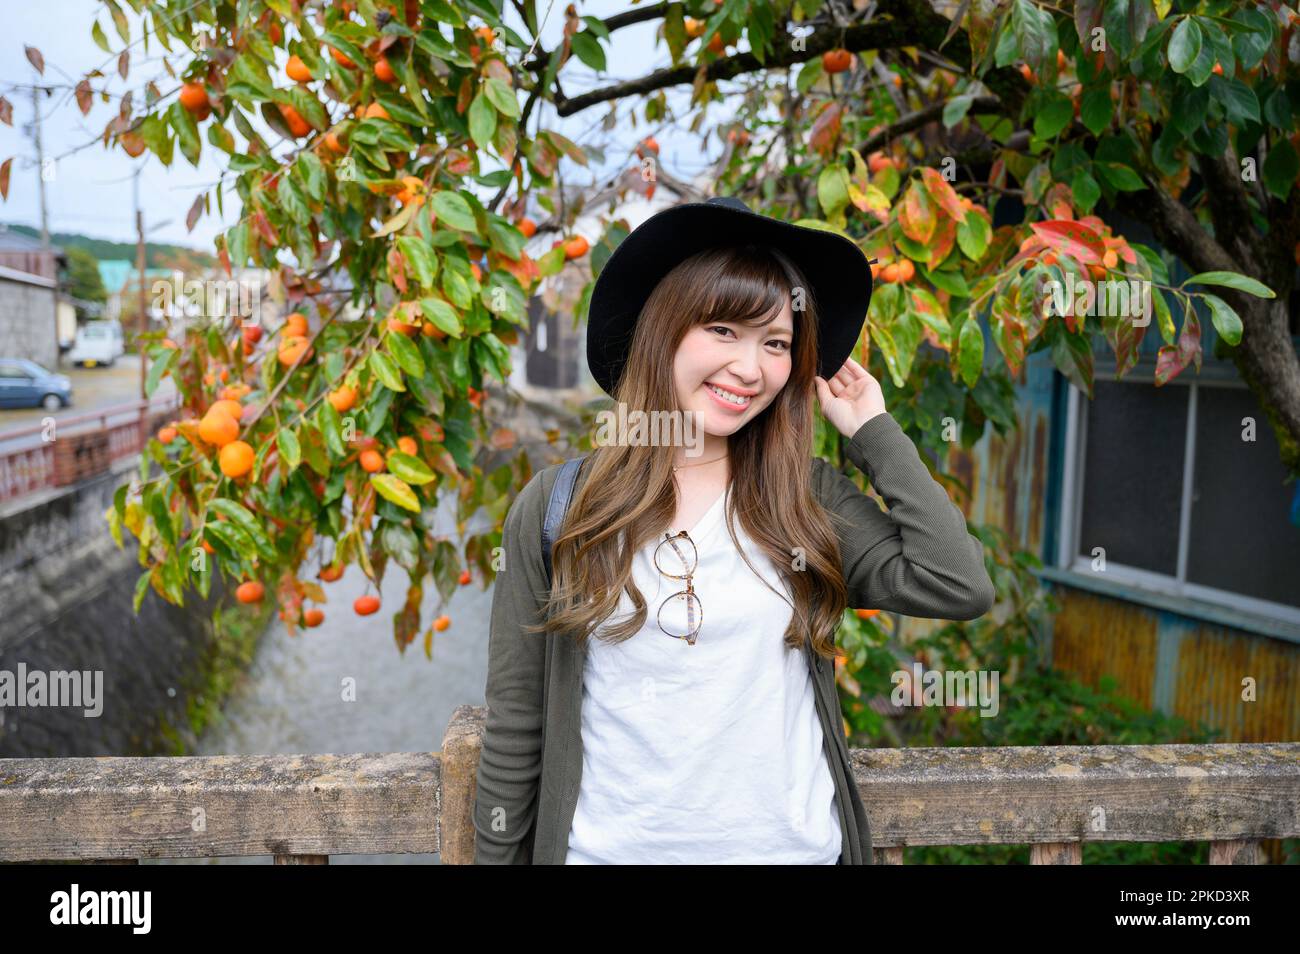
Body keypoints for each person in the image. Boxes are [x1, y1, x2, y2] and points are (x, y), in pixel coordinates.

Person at [473, 197, 995, 865]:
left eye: (776, 343)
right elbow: (516, 726)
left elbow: (958, 583)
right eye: (724, 330)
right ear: (663, 331)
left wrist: (873, 433)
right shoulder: (562, 507)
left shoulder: (802, 501)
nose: (751, 369)